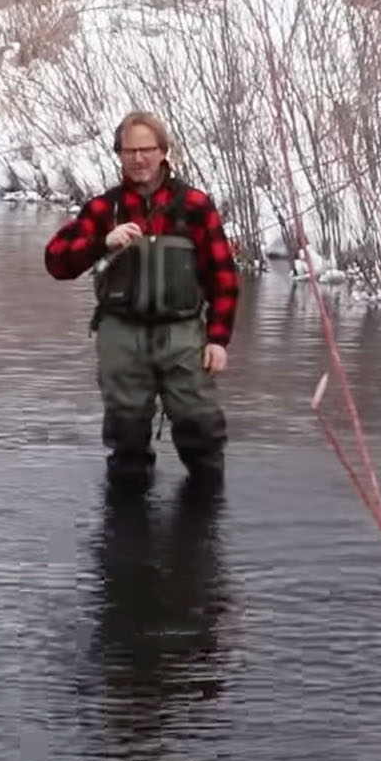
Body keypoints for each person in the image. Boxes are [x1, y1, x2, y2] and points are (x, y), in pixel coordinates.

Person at [44, 111, 239, 489]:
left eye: (146, 149)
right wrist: (102, 242)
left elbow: (223, 277)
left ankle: (204, 523)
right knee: (126, 435)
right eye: (129, 150)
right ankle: (128, 532)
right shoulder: (105, 209)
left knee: (201, 428)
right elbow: (56, 261)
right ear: (119, 155)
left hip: (182, 334)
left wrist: (218, 339)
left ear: (164, 152)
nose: (138, 158)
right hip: (121, 334)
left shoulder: (195, 205)